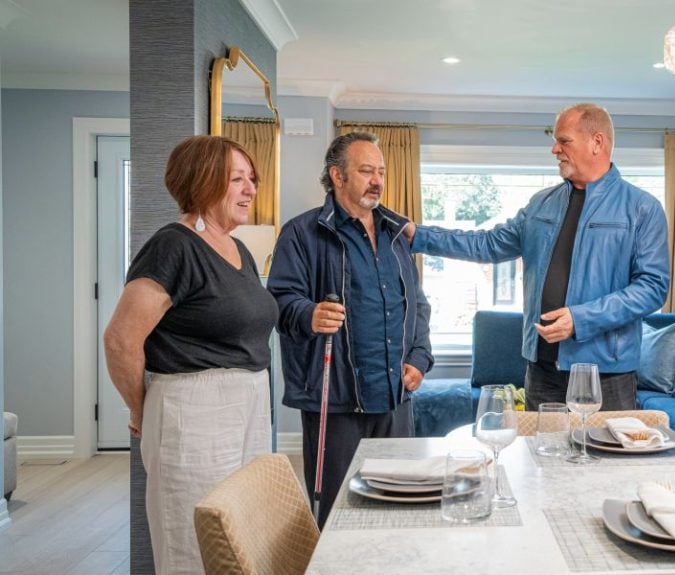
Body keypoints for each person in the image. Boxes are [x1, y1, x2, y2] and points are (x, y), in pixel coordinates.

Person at [404, 103, 670, 411]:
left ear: (597, 142)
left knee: (606, 459)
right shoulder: (541, 203)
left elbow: (653, 287)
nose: (554, 149)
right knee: (539, 457)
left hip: (606, 375)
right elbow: (488, 244)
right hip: (542, 371)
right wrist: (418, 235)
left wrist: (581, 319)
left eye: (564, 141)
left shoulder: (642, 208)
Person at [103, 136, 278, 574]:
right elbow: (121, 340)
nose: (250, 189)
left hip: (249, 405)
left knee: (241, 533)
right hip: (193, 409)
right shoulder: (173, 246)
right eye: (236, 179)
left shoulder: (238, 250)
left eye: (251, 179)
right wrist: (142, 409)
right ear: (202, 182)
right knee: (192, 541)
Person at [267, 132, 433, 528]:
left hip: (395, 398)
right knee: (339, 512)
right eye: (366, 171)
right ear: (337, 176)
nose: (377, 180)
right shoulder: (302, 233)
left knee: (398, 506)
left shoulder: (397, 235)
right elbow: (278, 301)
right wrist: (308, 314)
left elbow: (418, 305)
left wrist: (419, 358)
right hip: (334, 399)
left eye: (381, 171)